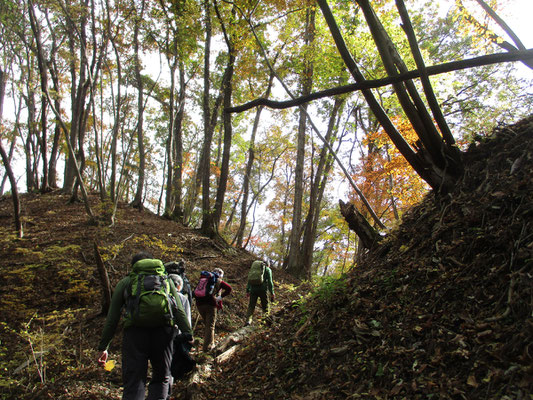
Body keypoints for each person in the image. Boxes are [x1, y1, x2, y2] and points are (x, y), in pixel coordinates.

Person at [96, 251, 193, 400]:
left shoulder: (126, 282)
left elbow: (112, 317)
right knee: (162, 378)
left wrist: (104, 347)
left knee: (134, 379)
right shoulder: (165, 280)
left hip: (135, 333)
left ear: (134, 266)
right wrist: (188, 334)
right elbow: (179, 309)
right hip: (164, 333)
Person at [194, 267, 232, 352]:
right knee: (210, 326)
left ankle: (210, 343)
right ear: (221, 275)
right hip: (210, 305)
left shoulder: (204, 278)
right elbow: (229, 289)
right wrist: (220, 297)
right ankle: (207, 348)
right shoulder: (218, 281)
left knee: (207, 325)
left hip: (199, 304)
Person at [245, 260, 275, 326]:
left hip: (253, 289)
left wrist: (248, 290)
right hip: (263, 290)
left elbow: (249, 280)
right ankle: (264, 321)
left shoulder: (255, 270)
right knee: (265, 306)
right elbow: (270, 282)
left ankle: (248, 321)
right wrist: (272, 292)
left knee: (251, 306)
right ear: (268, 265)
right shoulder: (268, 270)